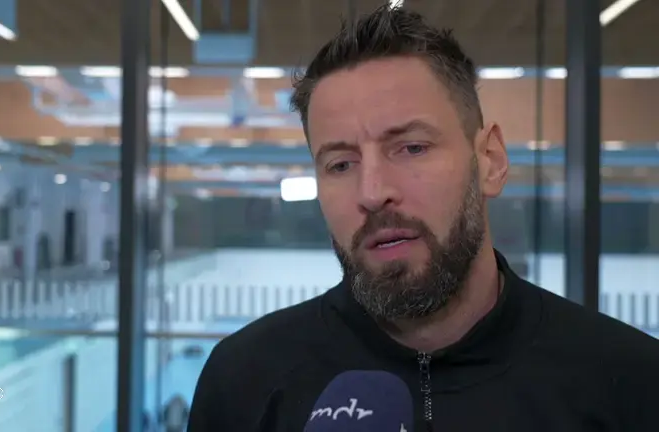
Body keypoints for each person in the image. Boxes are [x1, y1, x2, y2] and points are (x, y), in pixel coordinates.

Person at [187, 5, 659, 432]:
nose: (373, 193)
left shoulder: (630, 382)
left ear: (490, 161)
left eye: (411, 148)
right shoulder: (244, 380)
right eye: (341, 164)